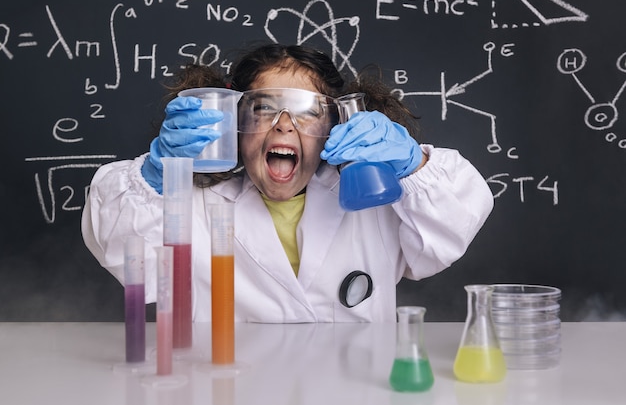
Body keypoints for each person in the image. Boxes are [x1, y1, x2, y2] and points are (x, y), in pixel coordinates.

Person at [81, 43, 494, 323]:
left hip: (355, 389)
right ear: (234, 124)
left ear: (334, 127)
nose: (283, 125)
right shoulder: (192, 205)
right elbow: (126, 257)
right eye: (263, 109)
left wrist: (411, 164)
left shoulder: (377, 198)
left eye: (305, 111)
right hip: (228, 389)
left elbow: (454, 227)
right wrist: (157, 175)